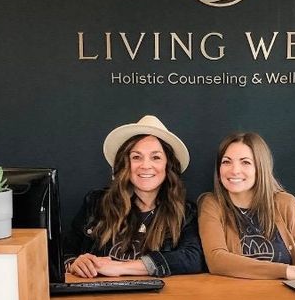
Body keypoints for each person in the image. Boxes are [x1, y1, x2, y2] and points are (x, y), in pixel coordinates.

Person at [64, 115, 203, 278]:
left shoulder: (185, 213)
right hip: (99, 299)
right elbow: (64, 253)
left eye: (156, 157)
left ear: (168, 165)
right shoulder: (96, 203)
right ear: (126, 164)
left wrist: (121, 268)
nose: (145, 165)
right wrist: (75, 263)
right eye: (136, 157)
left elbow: (193, 258)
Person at [198, 131, 295, 279]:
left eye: (246, 162)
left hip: (287, 297)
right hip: (234, 297)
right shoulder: (212, 203)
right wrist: (287, 271)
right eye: (226, 162)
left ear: (260, 168)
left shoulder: (286, 203)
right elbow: (216, 260)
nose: (234, 170)